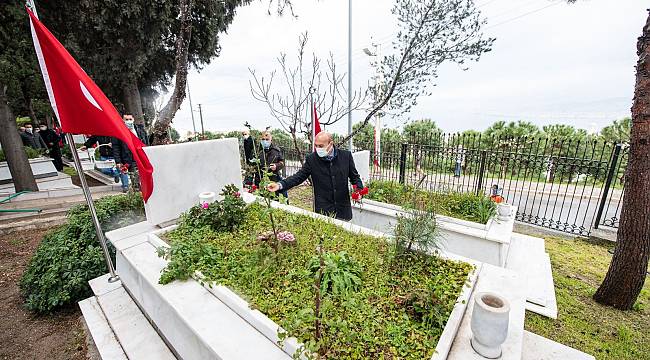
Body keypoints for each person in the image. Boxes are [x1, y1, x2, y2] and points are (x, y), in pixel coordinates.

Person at [267, 132, 363, 221]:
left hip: (343, 210)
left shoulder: (345, 156)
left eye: (321, 146)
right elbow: (298, 177)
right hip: (323, 211)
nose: (318, 148)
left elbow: (355, 177)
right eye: (316, 146)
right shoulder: (312, 159)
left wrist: (359, 190)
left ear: (330, 144)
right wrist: (279, 185)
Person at [255, 131, 287, 198]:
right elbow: (254, 167)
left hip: (273, 178)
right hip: (261, 179)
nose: (265, 141)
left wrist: (276, 166)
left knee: (274, 198)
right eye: (263, 139)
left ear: (271, 140)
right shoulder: (258, 151)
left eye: (267, 139)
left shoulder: (276, 151)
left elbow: (282, 163)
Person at [111, 116, 139, 192]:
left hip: (138, 157)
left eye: (130, 119)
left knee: (137, 176)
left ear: (133, 119)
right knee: (128, 174)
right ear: (123, 120)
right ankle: (127, 187)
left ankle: (136, 189)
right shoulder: (117, 132)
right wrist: (118, 161)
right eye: (126, 119)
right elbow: (116, 147)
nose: (129, 121)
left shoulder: (139, 130)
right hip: (126, 158)